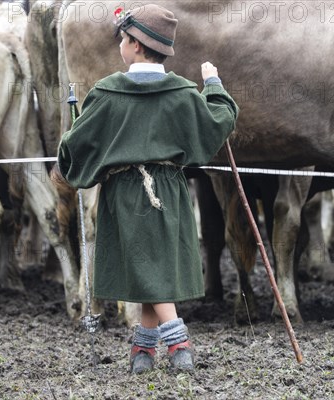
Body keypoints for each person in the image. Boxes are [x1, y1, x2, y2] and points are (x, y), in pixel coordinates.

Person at [56, 4, 239, 373]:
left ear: (136, 45)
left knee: (145, 268)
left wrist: (72, 136)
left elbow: (74, 150)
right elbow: (220, 119)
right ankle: (142, 351)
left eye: (122, 39)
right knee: (153, 268)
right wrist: (214, 85)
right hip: (170, 193)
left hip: (123, 194)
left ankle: (178, 343)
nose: (120, 45)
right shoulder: (184, 93)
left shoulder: (107, 93)